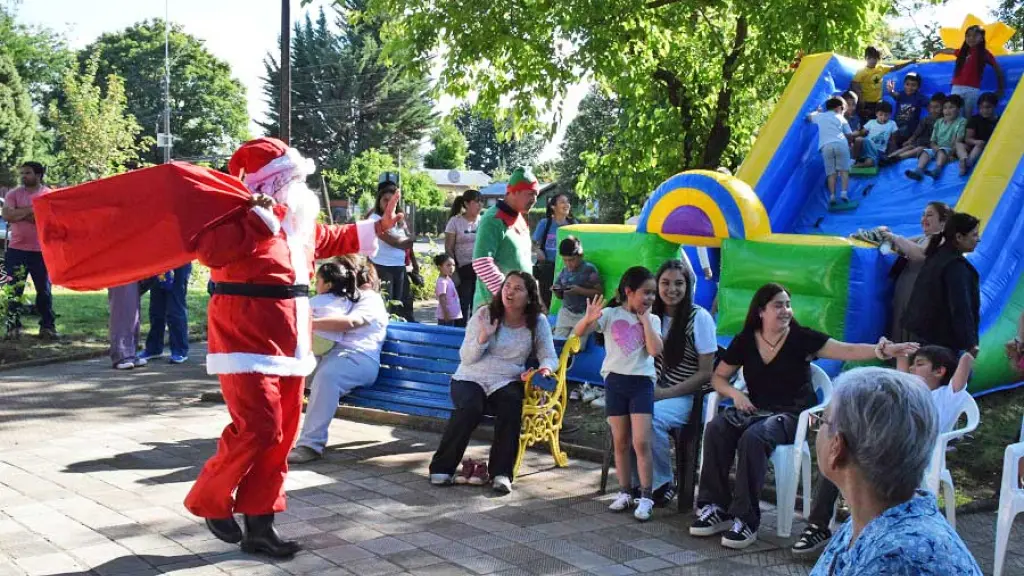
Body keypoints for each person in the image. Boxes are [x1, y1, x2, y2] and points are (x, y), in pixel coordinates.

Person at [183, 138, 398, 558]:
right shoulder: (237, 216)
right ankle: (210, 499)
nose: (301, 187)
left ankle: (260, 526)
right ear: (273, 182)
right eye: (293, 179)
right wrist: (259, 217)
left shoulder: (296, 223)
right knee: (260, 427)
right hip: (244, 338)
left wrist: (378, 228)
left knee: (280, 437)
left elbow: (328, 237)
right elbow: (209, 251)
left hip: (291, 339)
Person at [689, 283, 917, 550]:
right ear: (761, 311)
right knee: (717, 427)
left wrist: (883, 351)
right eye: (778, 305)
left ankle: (746, 520)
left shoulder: (801, 338)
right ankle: (715, 507)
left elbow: (847, 350)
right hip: (756, 410)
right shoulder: (746, 340)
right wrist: (736, 395)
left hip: (790, 416)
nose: (785, 310)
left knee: (754, 438)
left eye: (788, 304)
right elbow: (718, 377)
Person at [793, 346, 972, 555]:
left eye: (824, 422)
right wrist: (900, 352)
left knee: (849, 463)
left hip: (909, 458)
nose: (913, 369)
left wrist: (968, 350)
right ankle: (819, 526)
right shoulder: (904, 398)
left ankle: (818, 526)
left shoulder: (945, 395)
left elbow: (962, 369)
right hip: (889, 455)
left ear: (940, 371)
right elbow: (900, 377)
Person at [428, 271, 557, 494]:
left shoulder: (538, 322)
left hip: (506, 380)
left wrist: (544, 370)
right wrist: (484, 337)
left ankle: (501, 473)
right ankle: (442, 468)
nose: (510, 292)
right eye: (507, 286)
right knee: (470, 407)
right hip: (470, 377)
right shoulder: (485, 314)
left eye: (518, 289)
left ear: (529, 296)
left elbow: (549, 355)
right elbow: (466, 358)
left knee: (511, 403)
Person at [573, 267, 663, 522]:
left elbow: (655, 351)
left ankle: (646, 496)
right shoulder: (611, 315)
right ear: (628, 292)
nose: (650, 299)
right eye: (645, 293)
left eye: (653, 295)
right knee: (621, 441)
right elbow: (579, 333)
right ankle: (625, 491)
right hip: (615, 382)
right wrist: (589, 318)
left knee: (641, 442)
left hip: (641, 384)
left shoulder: (653, 320)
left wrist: (645, 321)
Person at [629, 260, 716, 507]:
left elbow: (706, 373)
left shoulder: (700, 318)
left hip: (689, 395)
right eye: (665, 283)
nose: (672, 290)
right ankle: (637, 483)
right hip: (653, 389)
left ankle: (662, 484)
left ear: (688, 286)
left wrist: (665, 393)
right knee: (628, 412)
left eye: (679, 283)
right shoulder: (649, 315)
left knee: (649, 417)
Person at [288, 257, 388, 464]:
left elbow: (352, 322)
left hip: (359, 358)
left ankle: (310, 445)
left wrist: (308, 323)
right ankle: (275, 435)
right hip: (331, 356)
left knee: (327, 377)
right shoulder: (340, 297)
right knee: (287, 370)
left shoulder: (369, 298)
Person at [904, 211, 981, 355]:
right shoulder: (955, 266)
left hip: (924, 332)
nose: (978, 239)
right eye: (974, 235)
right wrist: (970, 342)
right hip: (942, 339)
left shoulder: (937, 256)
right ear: (959, 237)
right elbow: (960, 306)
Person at [1, 161, 58, 340]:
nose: (23, 176)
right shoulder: (13, 194)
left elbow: (46, 220)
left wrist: (20, 213)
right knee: (14, 289)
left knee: (44, 290)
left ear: (38, 175)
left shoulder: (48, 194)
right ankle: (13, 327)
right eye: (22, 173)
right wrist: (33, 210)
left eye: (28, 173)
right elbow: (7, 215)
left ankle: (48, 327)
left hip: (42, 250)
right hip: (17, 249)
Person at [881, 201, 952, 341]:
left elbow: (920, 255)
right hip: (908, 298)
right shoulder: (924, 238)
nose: (924, 219)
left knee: (915, 341)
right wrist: (885, 235)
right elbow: (902, 246)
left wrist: (894, 237)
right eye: (923, 215)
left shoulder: (942, 239)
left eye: (929, 215)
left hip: (920, 303)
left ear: (943, 222)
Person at [471, 167, 539, 309]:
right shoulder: (493, 219)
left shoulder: (520, 218)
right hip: (494, 309)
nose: (534, 200)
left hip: (517, 308)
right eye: (530, 194)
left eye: (536, 194)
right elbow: (482, 263)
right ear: (514, 192)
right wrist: (509, 296)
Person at [935, 24, 1006, 117]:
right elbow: (951, 51)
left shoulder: (984, 53)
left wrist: (1000, 88)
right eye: (968, 35)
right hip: (957, 87)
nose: (971, 38)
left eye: (975, 35)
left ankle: (966, 131)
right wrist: (939, 51)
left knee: (967, 115)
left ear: (981, 38)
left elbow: (998, 69)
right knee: (954, 113)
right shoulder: (963, 52)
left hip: (972, 89)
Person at [368, 173, 413, 318]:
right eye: (385, 200)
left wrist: (414, 264)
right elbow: (396, 242)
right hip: (382, 267)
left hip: (399, 267)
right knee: (385, 308)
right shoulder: (375, 218)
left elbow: (408, 244)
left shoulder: (399, 219)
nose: (388, 204)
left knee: (399, 308)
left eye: (391, 200)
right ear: (379, 201)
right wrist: (409, 240)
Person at [551, 236, 602, 342]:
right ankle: (557, 331)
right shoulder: (565, 270)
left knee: (576, 346)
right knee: (558, 342)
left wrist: (580, 290)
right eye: (565, 260)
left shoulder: (589, 269)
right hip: (566, 312)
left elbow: (599, 292)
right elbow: (560, 294)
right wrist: (556, 290)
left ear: (580, 255)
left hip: (583, 315)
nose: (568, 263)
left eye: (571, 260)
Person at [905, 94, 967, 181]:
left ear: (959, 109)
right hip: (937, 149)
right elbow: (933, 141)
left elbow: (958, 140)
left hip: (949, 150)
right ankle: (918, 171)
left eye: (951, 107)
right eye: (945, 108)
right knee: (925, 152)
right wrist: (935, 148)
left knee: (942, 151)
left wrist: (951, 153)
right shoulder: (939, 122)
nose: (947, 110)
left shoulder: (961, 121)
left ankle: (937, 170)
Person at [138, 264, 191, 364]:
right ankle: (154, 348)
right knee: (156, 310)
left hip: (178, 265)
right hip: (159, 265)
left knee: (175, 311)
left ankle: (180, 350)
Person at [533, 192, 577, 307]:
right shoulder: (545, 223)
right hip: (548, 267)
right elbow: (533, 243)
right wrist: (538, 251)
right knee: (547, 300)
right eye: (562, 202)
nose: (566, 204)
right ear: (553, 207)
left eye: (568, 202)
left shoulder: (573, 224)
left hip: (568, 269)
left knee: (565, 300)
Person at [850, 46, 916, 123]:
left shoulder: (881, 68)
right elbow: (854, 83)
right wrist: (860, 98)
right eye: (872, 58)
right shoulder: (862, 71)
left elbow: (895, 68)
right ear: (866, 58)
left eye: (876, 58)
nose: (874, 61)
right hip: (866, 102)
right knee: (866, 121)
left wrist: (909, 63)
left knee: (878, 120)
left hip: (878, 101)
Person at [444, 189, 482, 320]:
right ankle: (461, 334)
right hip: (463, 269)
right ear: (466, 203)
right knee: (463, 304)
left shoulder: (483, 221)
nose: (480, 205)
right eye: (476, 202)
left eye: (481, 202)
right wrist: (454, 272)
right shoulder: (455, 222)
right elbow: (448, 247)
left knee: (478, 305)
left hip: (480, 269)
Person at [807, 98, 852, 205]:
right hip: (841, 144)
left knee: (831, 172)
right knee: (844, 170)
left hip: (826, 146)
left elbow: (808, 117)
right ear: (838, 108)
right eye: (843, 109)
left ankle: (832, 196)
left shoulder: (821, 116)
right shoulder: (841, 118)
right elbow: (849, 134)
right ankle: (844, 193)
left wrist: (817, 112)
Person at [885, 92, 945, 163]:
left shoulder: (944, 121)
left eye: (936, 107)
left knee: (918, 149)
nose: (933, 110)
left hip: (930, 146)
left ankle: (897, 158)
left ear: (943, 107)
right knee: (908, 147)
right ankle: (888, 157)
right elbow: (917, 133)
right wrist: (910, 140)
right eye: (931, 107)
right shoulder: (926, 119)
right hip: (920, 141)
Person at [883, 73, 929, 154]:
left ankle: (892, 154)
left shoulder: (919, 97)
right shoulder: (901, 95)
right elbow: (895, 95)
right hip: (897, 126)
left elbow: (929, 105)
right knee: (890, 134)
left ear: (918, 87)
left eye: (913, 85)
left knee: (898, 136)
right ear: (904, 84)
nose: (909, 87)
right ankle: (890, 152)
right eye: (907, 84)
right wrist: (891, 91)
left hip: (910, 129)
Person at [107, 282, 147, 370]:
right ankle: (121, 356)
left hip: (131, 274)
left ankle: (131, 354)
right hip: (119, 275)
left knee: (132, 314)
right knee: (121, 311)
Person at [960, 91, 1000, 175]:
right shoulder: (975, 119)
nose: (984, 110)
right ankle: (967, 163)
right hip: (976, 147)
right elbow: (967, 139)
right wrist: (976, 142)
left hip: (993, 147)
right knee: (973, 144)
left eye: (988, 107)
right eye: (981, 108)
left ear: (995, 106)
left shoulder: (1001, 120)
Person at [852, 101, 898, 169]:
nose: (883, 117)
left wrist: (889, 155)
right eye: (881, 115)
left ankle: (859, 164)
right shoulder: (871, 122)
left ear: (890, 115)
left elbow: (893, 140)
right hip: (866, 147)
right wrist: (853, 133)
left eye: (886, 115)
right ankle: (854, 160)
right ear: (876, 114)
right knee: (858, 139)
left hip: (878, 151)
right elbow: (861, 133)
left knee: (869, 163)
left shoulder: (892, 124)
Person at [434, 253, 463, 327]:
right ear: (439, 267)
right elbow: (442, 298)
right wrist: (446, 314)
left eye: (453, 265)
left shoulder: (448, 279)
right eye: (448, 265)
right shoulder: (442, 282)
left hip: (450, 315)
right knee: (444, 335)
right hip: (446, 316)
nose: (451, 268)